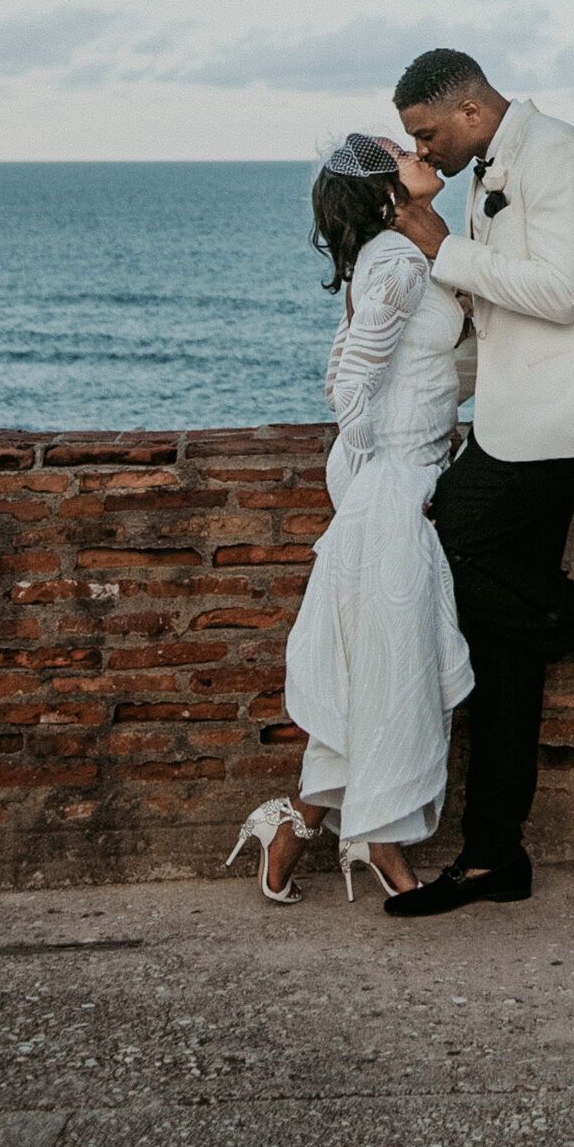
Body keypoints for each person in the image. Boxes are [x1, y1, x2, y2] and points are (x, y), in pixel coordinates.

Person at [383, 47, 574, 918]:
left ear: (470, 109)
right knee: (495, 643)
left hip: (566, 417)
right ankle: (491, 857)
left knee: (448, 550)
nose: (423, 153)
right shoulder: (493, 165)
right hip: (517, 418)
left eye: (428, 134)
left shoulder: (554, 154)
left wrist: (441, 247)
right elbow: (498, 314)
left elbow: (557, 291)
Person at [226, 132, 473, 904]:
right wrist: (385, 468)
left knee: (381, 666)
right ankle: (384, 848)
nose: (419, 151)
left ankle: (298, 828)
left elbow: (392, 367)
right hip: (395, 487)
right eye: (401, 152)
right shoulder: (399, 262)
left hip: (406, 479)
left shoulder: (401, 255)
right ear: (384, 192)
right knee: (396, 669)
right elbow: (347, 388)